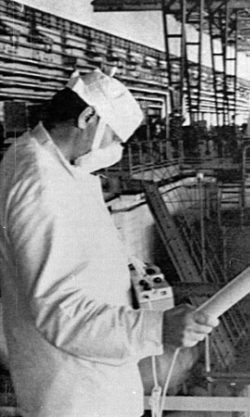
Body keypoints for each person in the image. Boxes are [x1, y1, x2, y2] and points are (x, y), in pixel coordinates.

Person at [0, 69, 217, 417]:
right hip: (76, 394)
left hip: (89, 377)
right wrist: (158, 327)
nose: (114, 151)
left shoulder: (47, 162)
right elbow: (62, 313)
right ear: (88, 117)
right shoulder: (40, 184)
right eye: (113, 137)